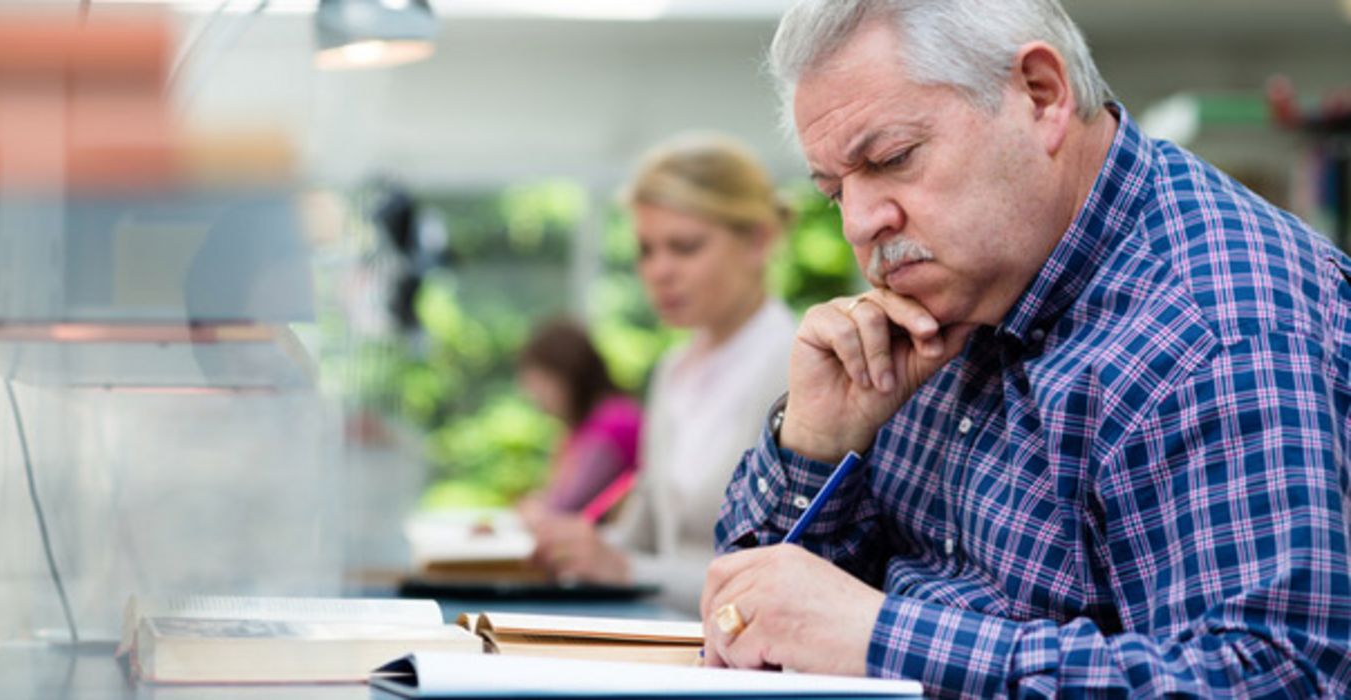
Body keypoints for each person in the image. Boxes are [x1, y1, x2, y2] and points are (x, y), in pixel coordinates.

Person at [701, 1, 1351, 697]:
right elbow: (751, 618)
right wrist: (815, 443)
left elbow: (1280, 678)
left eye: (892, 159)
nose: (861, 223)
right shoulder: (957, 291)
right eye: (834, 192)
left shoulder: (1214, 327)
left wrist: (878, 639)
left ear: (1040, 95)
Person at [530, 133, 798, 614]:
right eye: (646, 251)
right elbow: (639, 539)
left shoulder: (801, 370)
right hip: (666, 644)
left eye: (685, 247)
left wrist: (629, 570)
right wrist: (571, 544)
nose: (659, 271)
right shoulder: (674, 371)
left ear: (759, 240)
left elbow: (786, 581)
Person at [515, 318, 642, 521]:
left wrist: (536, 510)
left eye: (542, 384)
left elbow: (567, 508)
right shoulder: (582, 427)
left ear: (568, 375)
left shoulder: (615, 422)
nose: (536, 398)